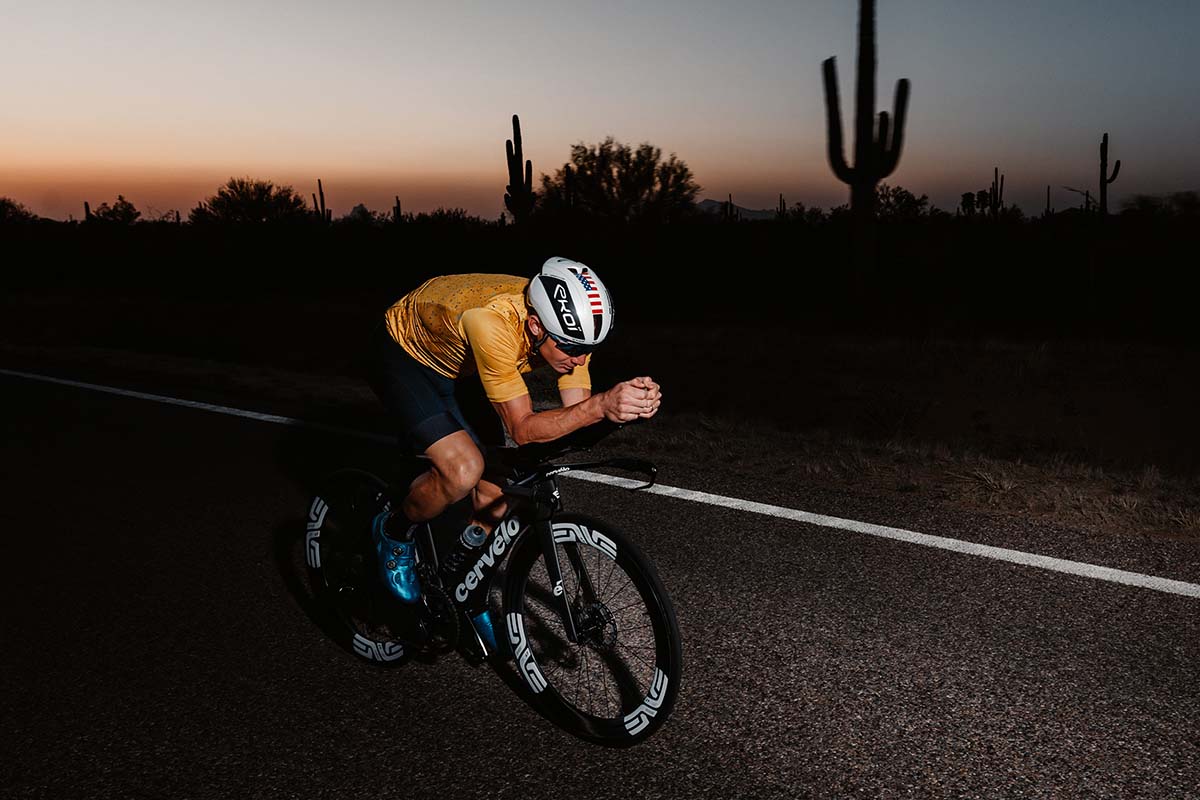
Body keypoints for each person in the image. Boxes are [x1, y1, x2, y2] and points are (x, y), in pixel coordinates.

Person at [365, 257, 662, 646]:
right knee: (463, 470)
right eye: (573, 348)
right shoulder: (491, 323)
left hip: (464, 364)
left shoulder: (565, 333)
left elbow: (576, 418)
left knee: (499, 488)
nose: (581, 360)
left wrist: (622, 411)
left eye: (589, 349)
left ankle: (464, 587)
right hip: (404, 356)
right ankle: (394, 530)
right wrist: (601, 406)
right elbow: (523, 430)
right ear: (536, 326)